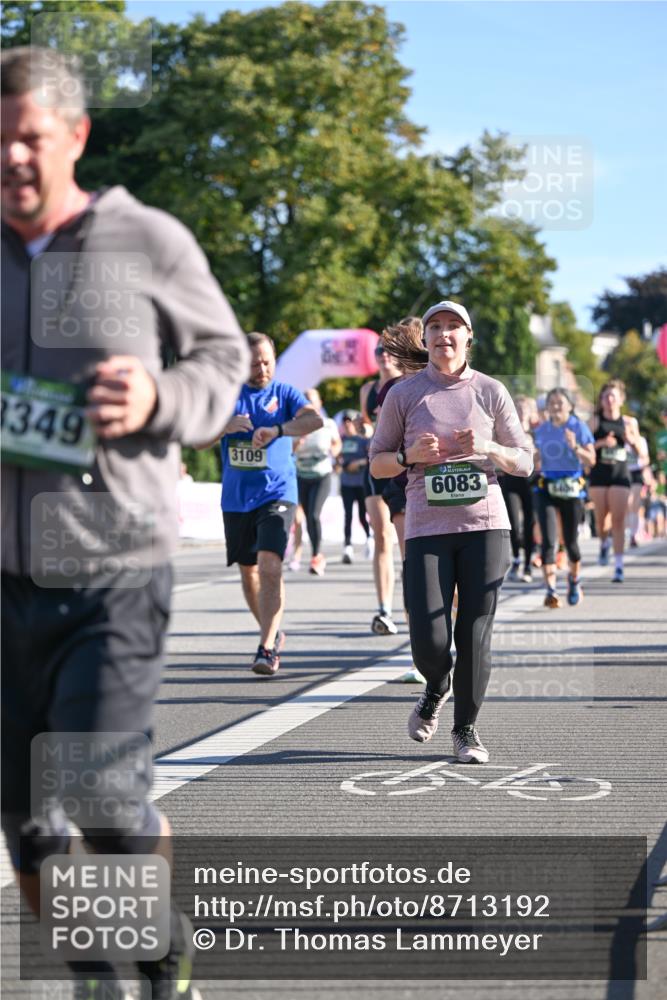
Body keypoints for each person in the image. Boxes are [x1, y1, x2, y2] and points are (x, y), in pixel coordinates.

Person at [1, 46, 249, 1000]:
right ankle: (94, 974)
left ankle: (155, 950)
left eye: (29, 139)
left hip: (111, 572)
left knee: (103, 799)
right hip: (2, 582)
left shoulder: (143, 239)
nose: (12, 159)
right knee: (25, 820)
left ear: (74, 136)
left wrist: (157, 392)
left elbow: (225, 365)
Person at [370, 300, 533, 764]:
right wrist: (408, 458)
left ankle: (465, 730)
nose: (444, 334)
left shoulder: (491, 391)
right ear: (426, 339)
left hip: (485, 526)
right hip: (426, 527)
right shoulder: (404, 394)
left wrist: (489, 447)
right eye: (436, 327)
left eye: (454, 327)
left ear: (468, 338)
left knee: (475, 631)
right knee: (429, 636)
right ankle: (435, 686)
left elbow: (524, 461)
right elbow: (378, 463)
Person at [214, 333, 322, 674]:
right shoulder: (228, 396)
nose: (262, 369)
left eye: (267, 361)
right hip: (236, 498)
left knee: (270, 564)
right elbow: (196, 438)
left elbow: (313, 419)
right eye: (254, 363)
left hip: (278, 492)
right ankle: (273, 634)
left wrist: (278, 430)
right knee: (249, 572)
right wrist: (223, 427)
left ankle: (265, 648)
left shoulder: (285, 393)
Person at [533, 389, 596, 608]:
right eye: (552, 403)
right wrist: (534, 457)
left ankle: (574, 580)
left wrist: (575, 446)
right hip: (547, 489)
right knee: (548, 542)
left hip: (572, 490)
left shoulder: (579, 427)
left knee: (571, 543)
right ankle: (551, 590)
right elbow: (534, 459)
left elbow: (591, 460)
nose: (556, 406)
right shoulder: (541, 431)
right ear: (547, 407)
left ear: (570, 406)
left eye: (560, 403)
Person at [361, 341, 402, 634]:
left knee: (406, 542)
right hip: (377, 466)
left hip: (403, 466)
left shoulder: (408, 383)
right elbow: (368, 425)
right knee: (382, 536)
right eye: (379, 352)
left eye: (389, 351)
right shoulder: (367, 391)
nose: (384, 356)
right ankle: (384, 609)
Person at [589, 380, 639, 582]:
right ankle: (603, 544)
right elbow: (584, 447)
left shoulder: (629, 422)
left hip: (620, 474)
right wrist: (601, 443)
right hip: (599, 473)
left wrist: (631, 440)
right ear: (601, 400)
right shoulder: (594, 421)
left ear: (621, 399)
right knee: (602, 520)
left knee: (618, 520)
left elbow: (642, 453)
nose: (609, 400)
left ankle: (619, 565)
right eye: (605, 396)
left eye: (613, 396)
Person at [293, 387, 341, 575]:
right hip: (301, 475)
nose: (310, 403)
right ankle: (295, 555)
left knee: (313, 514)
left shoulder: (328, 424)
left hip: (322, 475)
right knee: (298, 518)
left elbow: (336, 444)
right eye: (306, 400)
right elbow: (290, 450)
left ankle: (316, 556)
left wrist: (334, 451)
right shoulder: (296, 425)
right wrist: (299, 440)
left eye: (313, 400)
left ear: (319, 403)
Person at [500, 395, 538, 583]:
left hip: (531, 483)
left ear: (531, 413)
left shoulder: (538, 434)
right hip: (511, 481)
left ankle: (529, 563)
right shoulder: (506, 433)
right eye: (518, 408)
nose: (521, 412)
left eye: (525, 408)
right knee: (514, 523)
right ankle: (516, 559)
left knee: (530, 523)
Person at [338, 410, 371, 563]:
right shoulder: (342, 440)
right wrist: (342, 464)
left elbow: (371, 458)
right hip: (346, 483)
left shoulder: (363, 440)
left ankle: (369, 538)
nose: (347, 424)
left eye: (349, 421)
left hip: (361, 483)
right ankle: (347, 546)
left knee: (362, 515)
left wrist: (358, 464)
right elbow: (337, 457)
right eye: (344, 422)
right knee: (348, 515)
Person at [626, 432, 650, 547]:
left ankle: (633, 534)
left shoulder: (641, 440)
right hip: (623, 473)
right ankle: (628, 531)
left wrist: (633, 443)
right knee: (627, 505)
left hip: (636, 472)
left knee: (634, 504)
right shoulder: (621, 437)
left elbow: (645, 458)